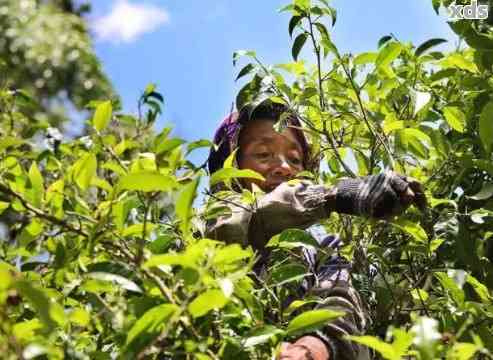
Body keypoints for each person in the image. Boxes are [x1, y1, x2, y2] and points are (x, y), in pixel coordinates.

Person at [204, 102, 426, 360]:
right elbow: (241, 224)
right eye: (263, 154)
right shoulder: (217, 215)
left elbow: (341, 301)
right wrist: (336, 195)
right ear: (230, 168)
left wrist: (316, 346)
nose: (284, 167)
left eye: (295, 159)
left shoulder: (322, 244)